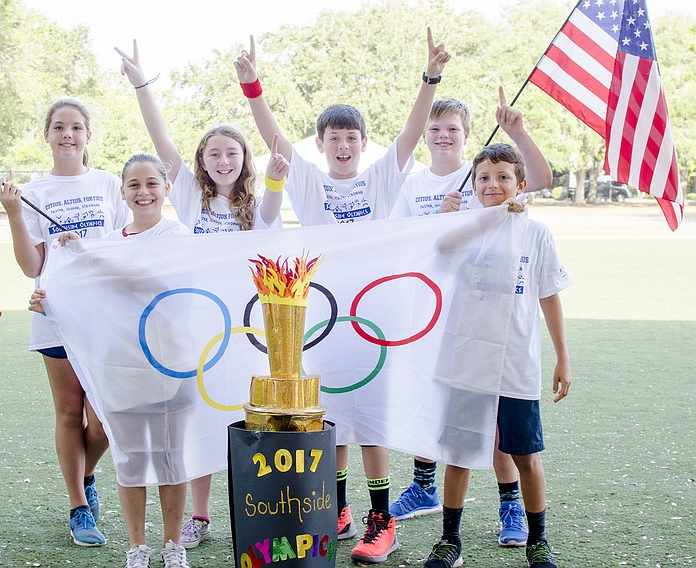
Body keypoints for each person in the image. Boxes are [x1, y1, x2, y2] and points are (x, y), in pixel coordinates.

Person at [234, 28, 449, 564]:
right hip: (323, 309)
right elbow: (272, 138)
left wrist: (431, 77)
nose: (344, 146)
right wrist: (252, 86)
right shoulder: (307, 181)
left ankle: (382, 518)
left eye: (352, 137)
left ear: (362, 143)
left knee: (370, 414)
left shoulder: (381, 179)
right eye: (334, 138)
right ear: (323, 144)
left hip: (375, 314)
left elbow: (412, 128)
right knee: (332, 413)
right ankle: (343, 507)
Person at [114, 39, 285, 550]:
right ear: (202, 161)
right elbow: (158, 136)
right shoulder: (187, 193)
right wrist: (142, 82)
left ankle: (254, 511)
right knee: (201, 418)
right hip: (194, 326)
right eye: (214, 153)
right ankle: (200, 516)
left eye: (232, 152)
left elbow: (275, 205)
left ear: (244, 159)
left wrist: (276, 179)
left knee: (245, 416)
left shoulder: (259, 204)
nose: (223, 159)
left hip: (247, 326)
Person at [388, 88, 554, 548]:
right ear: (424, 134)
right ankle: (424, 486)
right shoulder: (415, 184)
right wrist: (438, 224)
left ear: (466, 136)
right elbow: (409, 241)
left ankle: (511, 506)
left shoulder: (478, 174)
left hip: (490, 322)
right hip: (435, 313)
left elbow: (537, 177)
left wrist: (517, 130)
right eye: (435, 129)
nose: (443, 136)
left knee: (503, 428)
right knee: (440, 414)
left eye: (453, 130)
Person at [36, 154, 193, 568]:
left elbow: (156, 286)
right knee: (131, 457)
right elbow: (94, 304)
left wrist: (93, 259)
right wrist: (50, 302)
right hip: (120, 368)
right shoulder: (109, 243)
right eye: (134, 185)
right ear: (121, 192)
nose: (143, 193)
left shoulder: (180, 236)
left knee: (170, 455)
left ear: (166, 189)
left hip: (170, 365)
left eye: (152, 184)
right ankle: (137, 547)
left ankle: (172, 545)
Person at [423, 143, 571, 568]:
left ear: (520, 185)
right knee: (460, 453)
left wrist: (563, 356)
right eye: (484, 178)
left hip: (516, 363)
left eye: (504, 177)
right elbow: (437, 249)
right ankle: (450, 540)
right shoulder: (463, 225)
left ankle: (537, 540)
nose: (493, 185)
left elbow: (549, 296)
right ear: (472, 185)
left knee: (525, 454)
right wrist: (457, 215)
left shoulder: (536, 233)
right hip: (466, 360)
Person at [0, 98, 130, 548]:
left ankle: (85, 471)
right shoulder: (34, 190)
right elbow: (32, 264)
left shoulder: (110, 184)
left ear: (88, 136)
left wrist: (91, 251)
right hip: (56, 314)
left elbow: (129, 245)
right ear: (47, 134)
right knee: (70, 413)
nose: (67, 135)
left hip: (106, 316)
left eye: (76, 127)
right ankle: (78, 505)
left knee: (107, 418)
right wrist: (14, 212)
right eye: (59, 127)